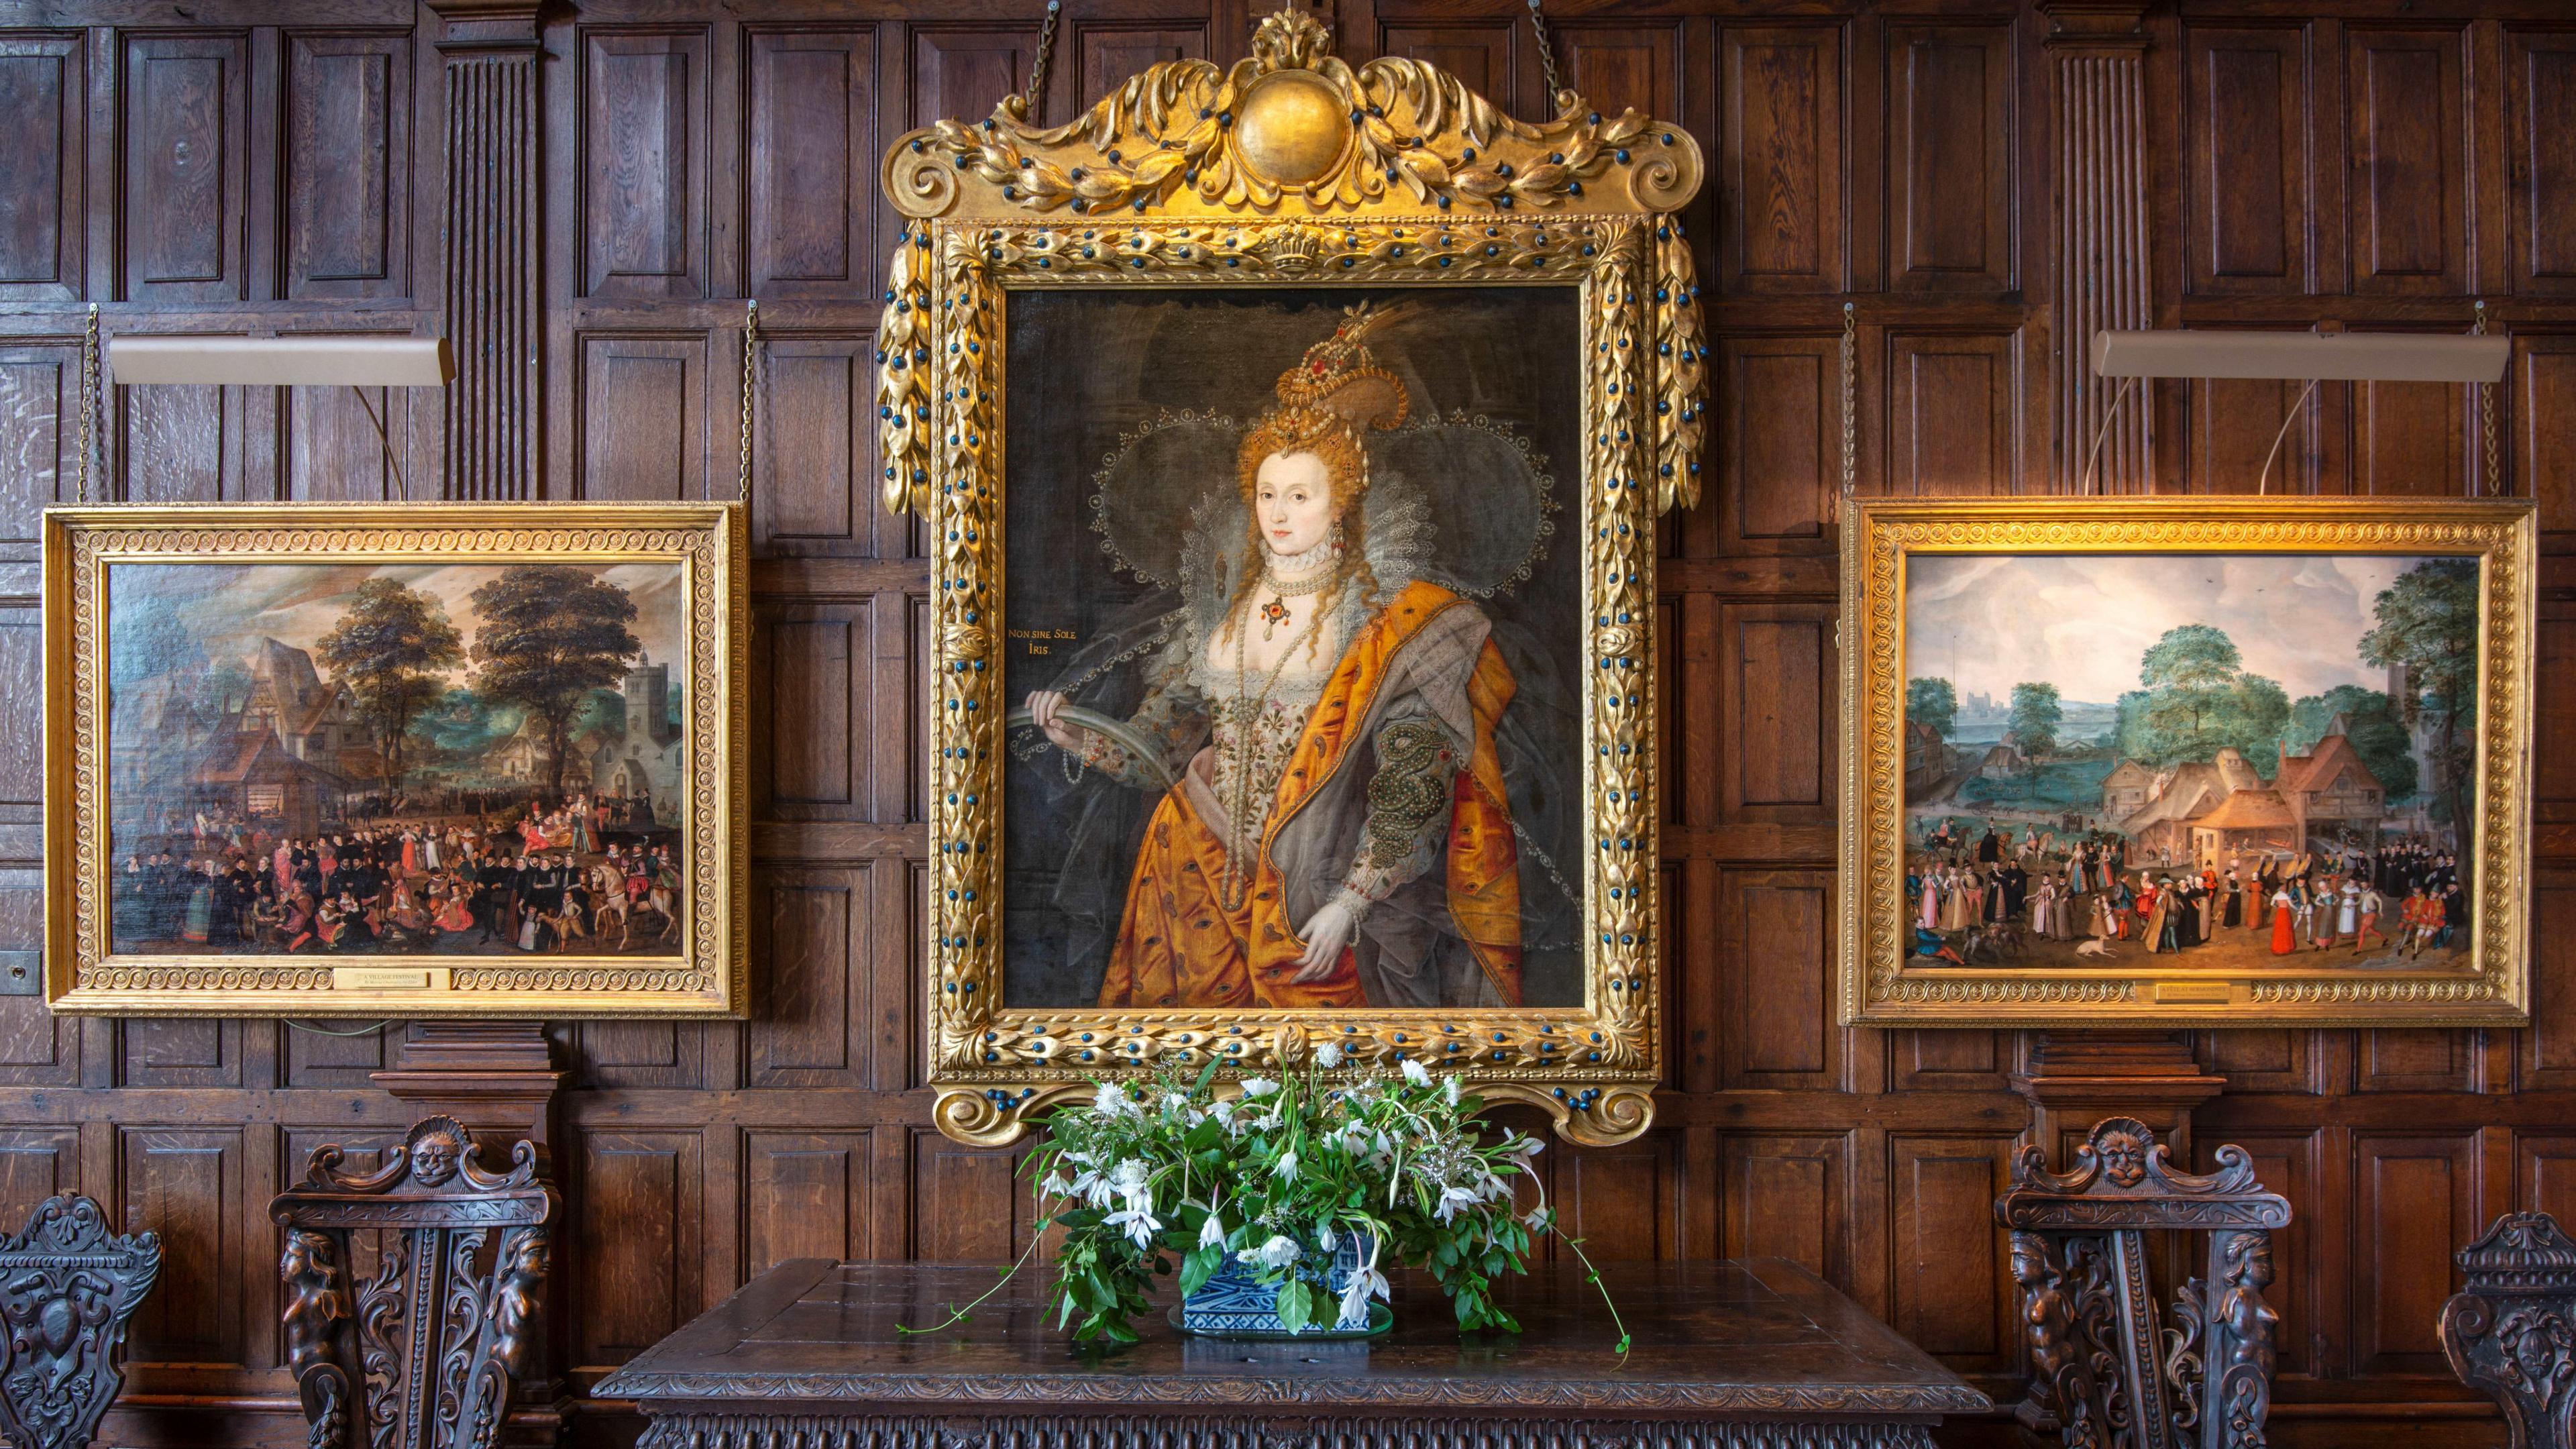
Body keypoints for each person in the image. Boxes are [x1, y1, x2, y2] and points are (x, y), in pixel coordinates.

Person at [1028, 305, 1527, 1011]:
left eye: (1300, 494)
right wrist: (1078, 735)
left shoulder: (1390, 625)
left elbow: (1412, 781)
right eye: (1267, 493)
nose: (1278, 512)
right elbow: (1163, 745)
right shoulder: (1217, 612)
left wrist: (1351, 904)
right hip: (1191, 865)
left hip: (1314, 881)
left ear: (1341, 504)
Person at [2270, 880, 2298, 955]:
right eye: (2283, 887)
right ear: (2281, 888)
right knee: (2286, 929)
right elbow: (2291, 905)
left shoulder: (2276, 896)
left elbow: (2272, 904)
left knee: (2279, 930)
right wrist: (2297, 910)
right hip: (2285, 913)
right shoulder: (2285, 896)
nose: (2284, 888)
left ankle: (2278, 948)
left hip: (2279, 912)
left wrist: (2277, 906)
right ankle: (2286, 948)